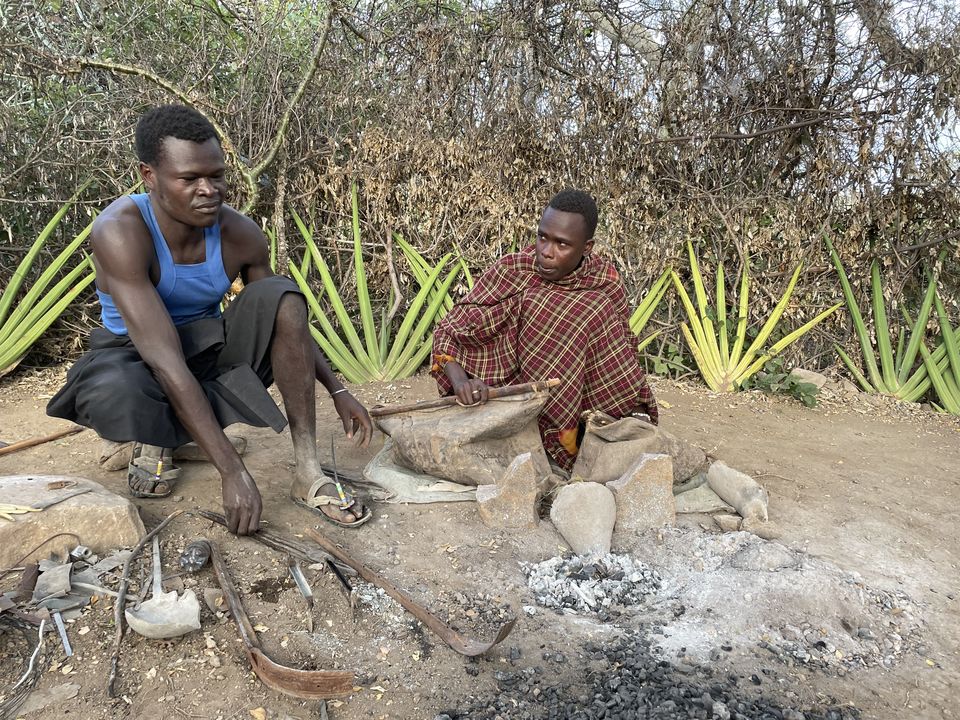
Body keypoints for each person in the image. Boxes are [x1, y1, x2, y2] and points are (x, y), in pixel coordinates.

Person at [47, 104, 373, 535]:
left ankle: (308, 472)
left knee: (283, 294)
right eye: (189, 179)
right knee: (117, 389)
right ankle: (157, 439)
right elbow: (162, 358)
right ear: (148, 176)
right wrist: (232, 470)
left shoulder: (240, 234)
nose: (208, 190)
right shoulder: (121, 230)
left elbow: (287, 320)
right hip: (133, 355)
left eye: (216, 175)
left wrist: (338, 389)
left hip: (202, 346)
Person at [431, 189, 658, 472]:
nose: (547, 252)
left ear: (586, 247)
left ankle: (568, 442)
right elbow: (450, 330)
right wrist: (460, 382)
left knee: (590, 312)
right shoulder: (512, 271)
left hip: (578, 415)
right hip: (503, 402)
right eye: (542, 237)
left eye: (562, 244)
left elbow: (620, 357)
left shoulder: (603, 286)